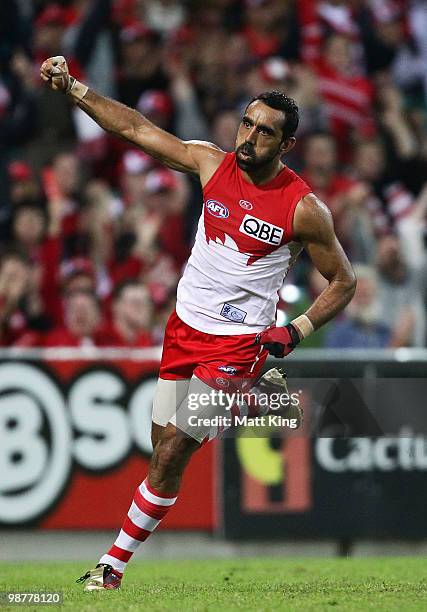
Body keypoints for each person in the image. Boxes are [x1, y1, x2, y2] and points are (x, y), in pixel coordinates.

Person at [40, 55, 356, 591]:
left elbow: (344, 281)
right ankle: (244, 406)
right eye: (247, 123)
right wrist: (75, 88)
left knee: (171, 452)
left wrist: (296, 329)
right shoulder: (212, 164)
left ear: (286, 146)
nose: (250, 137)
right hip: (183, 330)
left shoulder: (304, 209)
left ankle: (110, 568)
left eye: (265, 131)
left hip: (236, 346)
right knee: (160, 443)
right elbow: (137, 129)